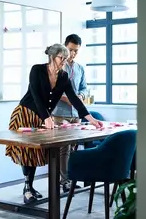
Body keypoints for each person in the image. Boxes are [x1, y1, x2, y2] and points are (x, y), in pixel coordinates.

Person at [6, 43, 103, 204]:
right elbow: (36, 96)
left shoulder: (64, 76)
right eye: (61, 58)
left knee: (37, 154)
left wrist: (90, 118)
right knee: (28, 152)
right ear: (51, 57)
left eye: (65, 59)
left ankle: (29, 187)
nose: (64, 61)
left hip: (43, 116)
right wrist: (46, 117)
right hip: (25, 113)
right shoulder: (37, 70)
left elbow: (73, 98)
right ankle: (28, 187)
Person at [52, 34, 87, 193]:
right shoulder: (58, 66)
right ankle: (64, 181)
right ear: (65, 47)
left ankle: (69, 178)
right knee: (64, 149)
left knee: (73, 147)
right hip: (60, 113)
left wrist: (81, 96)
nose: (73, 54)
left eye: (76, 51)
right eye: (71, 50)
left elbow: (84, 88)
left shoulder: (80, 68)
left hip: (75, 114)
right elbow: (52, 90)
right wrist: (67, 98)